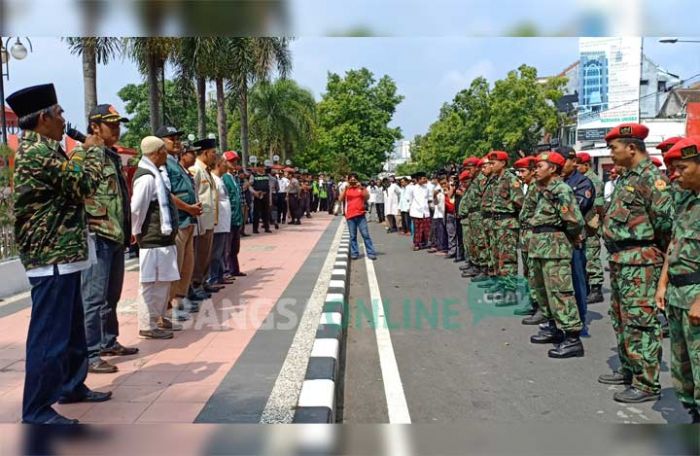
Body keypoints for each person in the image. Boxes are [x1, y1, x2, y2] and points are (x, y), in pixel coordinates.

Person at [9, 83, 112, 424]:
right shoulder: (36, 152)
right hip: (50, 255)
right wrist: (91, 149)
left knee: (71, 331)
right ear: (43, 119)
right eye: (58, 113)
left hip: (63, 253)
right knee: (49, 337)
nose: (63, 118)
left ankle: (70, 385)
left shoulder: (48, 149)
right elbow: (82, 184)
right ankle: (37, 409)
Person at [599, 123, 674, 403]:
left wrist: (664, 271)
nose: (611, 153)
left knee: (640, 322)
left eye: (613, 148)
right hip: (621, 260)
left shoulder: (652, 180)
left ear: (632, 148)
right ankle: (630, 369)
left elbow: (667, 226)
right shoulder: (628, 177)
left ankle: (647, 382)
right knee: (621, 319)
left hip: (642, 263)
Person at [76, 104, 138, 375]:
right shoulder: (85, 153)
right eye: (110, 124)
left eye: (118, 124)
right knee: (93, 298)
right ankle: (89, 354)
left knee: (111, 297)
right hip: (98, 235)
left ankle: (108, 341)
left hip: (115, 235)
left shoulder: (111, 155)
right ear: (94, 127)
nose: (117, 129)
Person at [655, 136, 700, 423]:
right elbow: (675, 243)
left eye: (682, 167)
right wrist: (663, 282)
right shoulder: (688, 201)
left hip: (696, 294)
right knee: (684, 368)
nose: (675, 174)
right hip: (678, 292)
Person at [527, 151, 585, 359]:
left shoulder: (561, 189)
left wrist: (568, 239)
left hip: (554, 247)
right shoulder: (541, 189)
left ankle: (572, 337)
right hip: (539, 246)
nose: (536, 169)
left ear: (552, 168)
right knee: (542, 290)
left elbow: (574, 220)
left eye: (540, 166)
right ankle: (552, 326)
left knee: (560, 292)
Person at [131, 136, 180, 339]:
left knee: (163, 281)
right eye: (164, 152)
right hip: (151, 238)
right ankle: (147, 324)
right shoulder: (147, 178)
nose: (166, 156)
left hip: (162, 238)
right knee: (149, 283)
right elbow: (136, 209)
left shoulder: (156, 174)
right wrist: (136, 232)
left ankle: (158, 319)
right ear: (156, 153)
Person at [159, 127, 205, 312]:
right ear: (161, 141)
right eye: (171, 138)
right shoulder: (163, 164)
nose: (176, 141)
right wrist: (188, 208)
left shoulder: (176, 163)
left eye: (178, 138)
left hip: (189, 221)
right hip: (178, 220)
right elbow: (166, 193)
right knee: (175, 266)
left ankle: (181, 298)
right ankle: (170, 305)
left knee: (187, 264)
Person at [561, 147, 595, 337]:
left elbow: (579, 208)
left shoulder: (582, 182)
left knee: (577, 279)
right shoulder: (558, 182)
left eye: (563, 160)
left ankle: (580, 319)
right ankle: (563, 319)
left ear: (572, 161)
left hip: (574, 237)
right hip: (557, 240)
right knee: (560, 281)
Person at [484, 151, 524, 292]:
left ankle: (510, 289)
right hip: (496, 223)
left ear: (503, 163)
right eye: (489, 163)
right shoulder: (495, 179)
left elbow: (519, 202)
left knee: (507, 258)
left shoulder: (510, 179)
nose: (490, 165)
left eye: (493, 163)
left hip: (507, 223)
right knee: (497, 256)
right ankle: (501, 284)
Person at [512, 156, 544, 322]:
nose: (520, 174)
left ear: (532, 171)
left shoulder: (538, 188)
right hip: (525, 235)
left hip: (533, 235)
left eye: (523, 171)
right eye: (519, 171)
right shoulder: (529, 187)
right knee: (527, 272)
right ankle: (532, 302)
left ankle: (540, 307)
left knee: (535, 273)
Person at [190, 139, 221, 295]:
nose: (215, 156)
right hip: (200, 220)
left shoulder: (206, 171)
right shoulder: (195, 170)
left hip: (209, 220)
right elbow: (194, 194)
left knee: (206, 254)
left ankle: (203, 280)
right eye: (213, 153)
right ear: (205, 153)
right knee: (199, 254)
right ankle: (196, 284)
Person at [576, 152, 606, 304]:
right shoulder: (581, 179)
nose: (576, 167)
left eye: (578, 165)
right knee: (584, 256)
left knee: (592, 255)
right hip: (583, 222)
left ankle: (596, 288)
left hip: (590, 223)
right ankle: (587, 286)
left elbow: (598, 206)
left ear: (586, 165)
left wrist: (596, 224)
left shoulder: (593, 181)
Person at [338, 173, 377, 260]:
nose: (352, 181)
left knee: (365, 234)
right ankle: (354, 253)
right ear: (348, 180)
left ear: (357, 180)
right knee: (353, 236)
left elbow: (367, 197)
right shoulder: (346, 189)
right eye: (350, 180)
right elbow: (340, 199)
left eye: (354, 179)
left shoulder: (361, 188)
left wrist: (361, 188)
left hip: (360, 215)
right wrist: (345, 189)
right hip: (350, 215)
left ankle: (371, 252)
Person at [208, 157, 233, 286]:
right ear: (218, 164)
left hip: (224, 222)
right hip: (218, 223)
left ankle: (219, 275)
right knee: (215, 252)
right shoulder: (214, 181)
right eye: (224, 163)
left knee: (221, 251)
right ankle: (212, 278)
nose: (226, 166)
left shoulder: (219, 180)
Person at [222, 152, 246, 278]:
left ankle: (234, 269)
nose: (234, 163)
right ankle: (226, 270)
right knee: (227, 247)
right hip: (229, 217)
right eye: (231, 161)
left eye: (236, 161)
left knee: (235, 246)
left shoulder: (234, 177)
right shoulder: (224, 178)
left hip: (236, 217)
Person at [408, 172, 431, 251]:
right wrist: (411, 208)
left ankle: (425, 242)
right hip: (416, 211)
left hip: (425, 211)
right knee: (417, 229)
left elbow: (427, 198)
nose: (425, 180)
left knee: (426, 228)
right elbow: (410, 199)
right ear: (418, 180)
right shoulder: (412, 188)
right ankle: (417, 244)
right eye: (423, 178)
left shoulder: (427, 188)